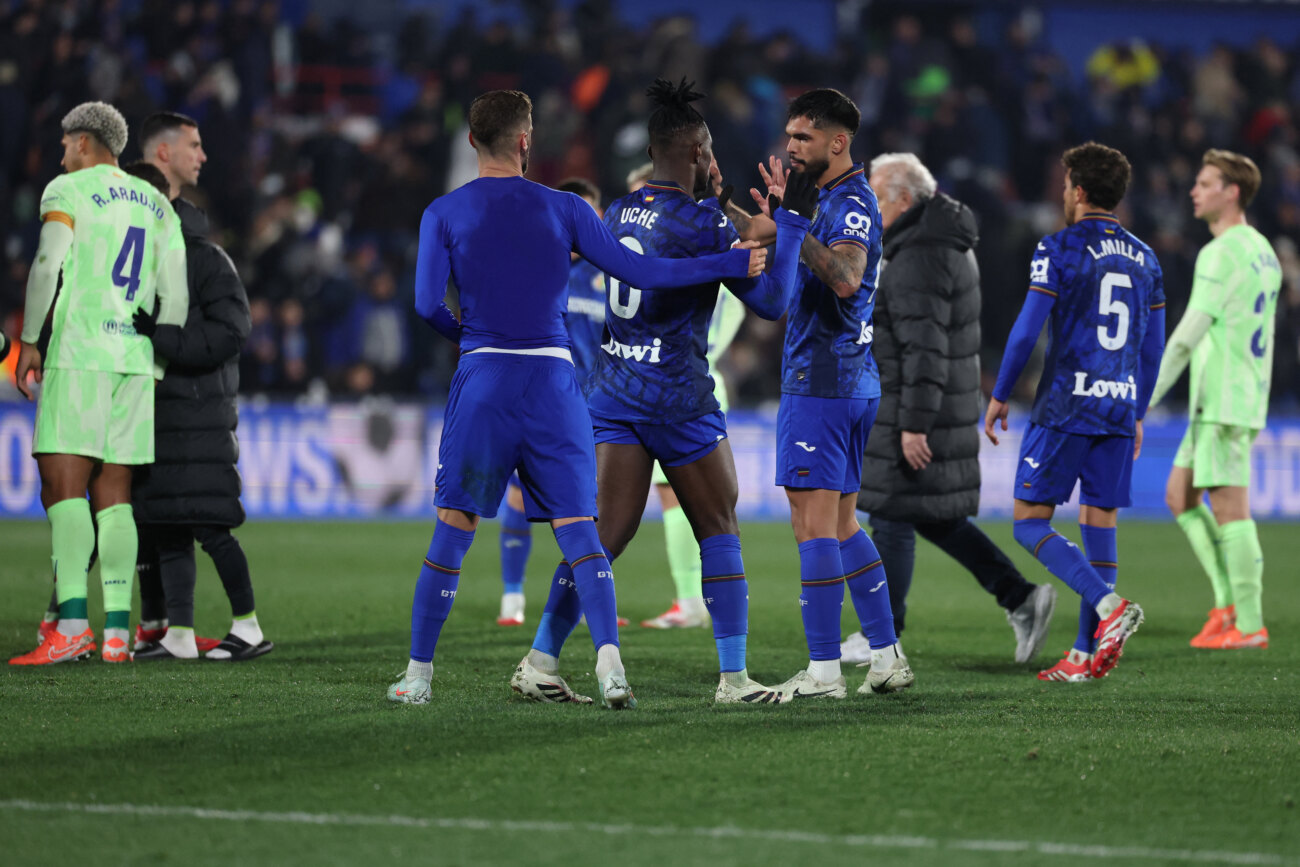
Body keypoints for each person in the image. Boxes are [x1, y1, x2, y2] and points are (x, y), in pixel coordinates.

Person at [385, 89, 766, 708]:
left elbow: (428, 305)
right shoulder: (565, 207)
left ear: (474, 143)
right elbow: (640, 272)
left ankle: (418, 677)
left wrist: (473, 338)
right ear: (526, 142)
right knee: (582, 531)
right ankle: (611, 671)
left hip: (484, 375)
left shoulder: (443, 213)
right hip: (555, 382)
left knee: (454, 527)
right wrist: (724, 262)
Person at [511, 79, 809, 705]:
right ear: (700, 151)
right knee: (719, 526)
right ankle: (733, 678)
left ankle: (539, 659)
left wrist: (728, 210)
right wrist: (786, 222)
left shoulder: (618, 211)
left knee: (604, 537)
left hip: (615, 394)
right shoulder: (703, 224)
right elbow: (774, 302)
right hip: (678, 399)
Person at [847, 152, 1057, 665]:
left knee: (892, 514)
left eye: (875, 194)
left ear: (901, 198)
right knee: (933, 516)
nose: (867, 204)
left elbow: (925, 347)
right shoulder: (934, 240)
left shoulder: (920, 252)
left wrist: (914, 424)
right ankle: (1021, 596)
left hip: (920, 409)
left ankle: (884, 636)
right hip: (937, 403)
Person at [9, 102, 188, 666]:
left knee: (64, 494)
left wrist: (31, 338)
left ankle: (68, 627)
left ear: (84, 141)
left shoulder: (69, 191)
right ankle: (115, 633)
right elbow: (176, 299)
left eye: (65, 144)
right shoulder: (159, 204)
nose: (61, 154)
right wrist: (154, 364)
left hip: (82, 353)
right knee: (114, 501)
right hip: (133, 362)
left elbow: (45, 265)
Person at [985, 142, 1163, 682]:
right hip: (1117, 404)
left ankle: (1108, 609)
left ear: (1079, 192)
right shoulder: (1147, 258)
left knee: (1027, 522)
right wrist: (1136, 411)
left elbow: (1025, 331)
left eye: (1066, 186)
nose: (1063, 194)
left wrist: (999, 393)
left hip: (1066, 403)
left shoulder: (1058, 248)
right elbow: (1151, 349)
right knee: (1099, 523)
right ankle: (1085, 657)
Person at [757, 88, 913, 701]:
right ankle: (886, 655)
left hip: (823, 381)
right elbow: (775, 236)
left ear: (837, 142)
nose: (790, 147)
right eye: (789, 136)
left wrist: (793, 224)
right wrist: (725, 206)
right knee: (844, 524)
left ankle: (824, 671)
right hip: (844, 381)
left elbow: (845, 276)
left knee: (813, 526)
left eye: (802, 138)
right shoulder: (819, 197)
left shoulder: (849, 202)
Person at [125, 116, 271, 662]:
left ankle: (249, 627)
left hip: (198, 413)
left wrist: (162, 340)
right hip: (158, 413)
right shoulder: (147, 259)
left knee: (212, 527)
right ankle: (179, 635)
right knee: (166, 527)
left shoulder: (205, 258)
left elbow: (232, 332)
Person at [1150, 149, 1281, 650]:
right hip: (1232, 393)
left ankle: (1249, 625)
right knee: (1179, 496)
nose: (1194, 191)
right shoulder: (1263, 249)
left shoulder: (1221, 251)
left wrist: (1143, 399)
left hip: (1225, 398)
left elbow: (1186, 337)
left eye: (1205, 183)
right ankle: (1227, 607)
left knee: (1231, 510)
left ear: (1232, 192)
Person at [493, 178, 609, 629]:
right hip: (540, 403)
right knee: (520, 500)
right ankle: (512, 596)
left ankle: (588, 598)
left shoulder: (610, 273)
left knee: (588, 507)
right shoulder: (538, 265)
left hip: (596, 406)